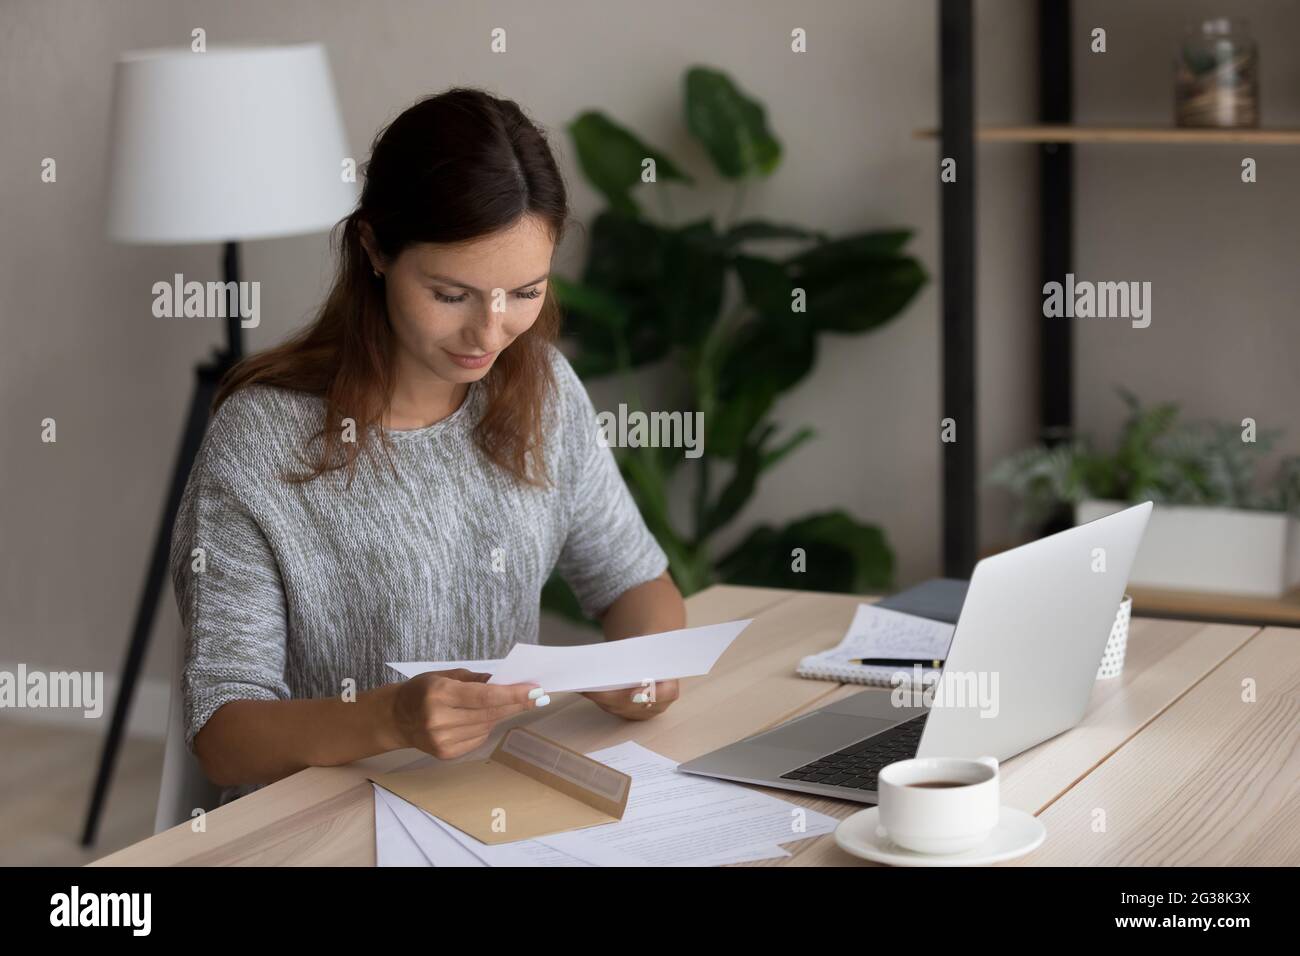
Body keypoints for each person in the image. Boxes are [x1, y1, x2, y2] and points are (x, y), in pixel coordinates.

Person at [169, 88, 685, 797]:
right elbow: (225, 740)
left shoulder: (543, 387)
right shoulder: (262, 441)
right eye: (452, 295)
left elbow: (634, 582)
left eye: (526, 291)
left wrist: (644, 666)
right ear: (374, 248)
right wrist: (393, 719)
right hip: (324, 822)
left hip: (499, 801)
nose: (491, 332)